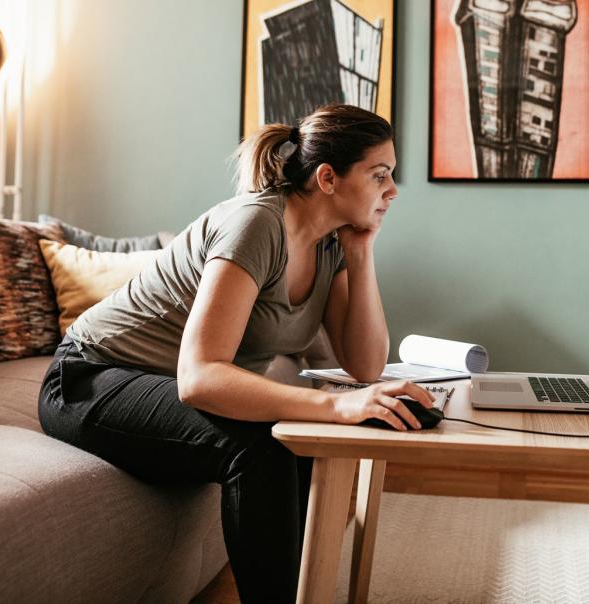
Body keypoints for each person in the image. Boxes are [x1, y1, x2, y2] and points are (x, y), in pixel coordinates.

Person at [38, 103, 433, 603]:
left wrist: (360, 252)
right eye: (380, 175)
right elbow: (199, 378)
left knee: (305, 439)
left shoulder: (330, 244)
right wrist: (337, 404)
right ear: (328, 178)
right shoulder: (257, 224)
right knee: (263, 447)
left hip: (158, 386)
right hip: (89, 378)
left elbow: (365, 364)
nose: (392, 190)